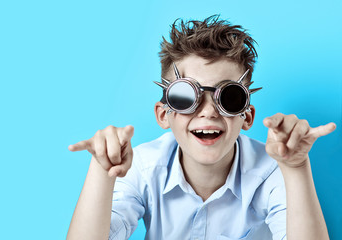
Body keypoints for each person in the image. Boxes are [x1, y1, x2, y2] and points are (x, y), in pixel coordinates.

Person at [66, 15, 336, 240]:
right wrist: (103, 171)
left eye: (229, 98)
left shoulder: (271, 171)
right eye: (185, 97)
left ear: (247, 117)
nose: (208, 111)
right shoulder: (144, 167)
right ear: (162, 115)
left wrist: (296, 168)